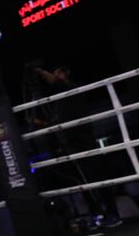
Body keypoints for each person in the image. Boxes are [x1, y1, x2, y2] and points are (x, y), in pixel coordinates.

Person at [23, 61, 123, 230]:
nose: (54, 76)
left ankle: (113, 214)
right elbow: (57, 123)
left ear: (65, 73)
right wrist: (39, 123)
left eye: (57, 73)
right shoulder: (58, 100)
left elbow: (55, 82)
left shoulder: (72, 89)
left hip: (84, 140)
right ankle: (97, 214)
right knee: (82, 182)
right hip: (69, 143)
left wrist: (38, 71)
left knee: (98, 179)